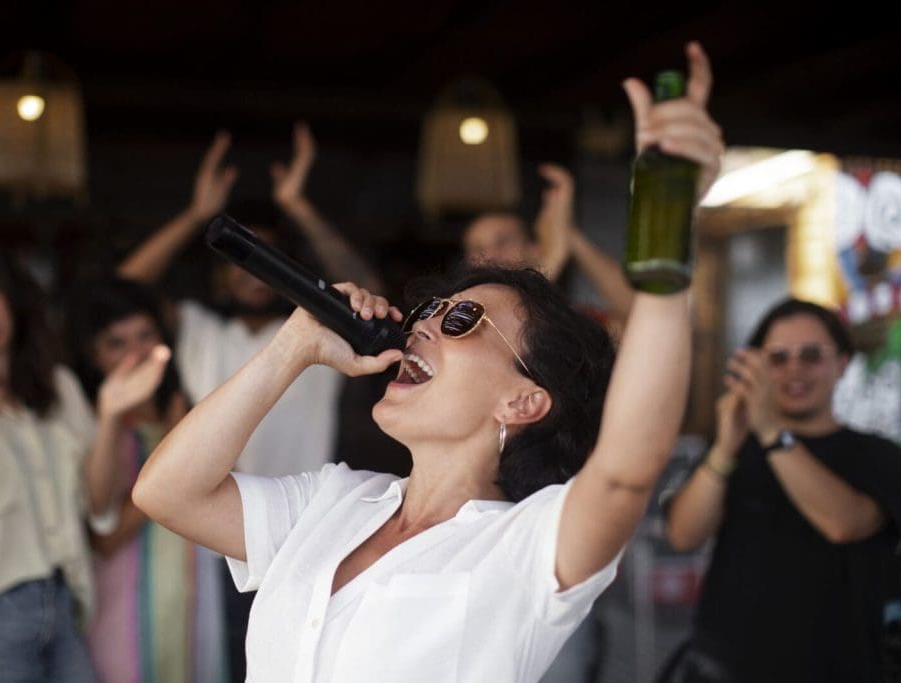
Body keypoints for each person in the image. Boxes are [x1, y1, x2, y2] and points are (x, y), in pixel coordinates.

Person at [131, 42, 722, 681]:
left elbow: (627, 471)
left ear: (524, 400)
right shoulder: (333, 502)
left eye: (462, 320)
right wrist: (292, 348)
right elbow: (167, 491)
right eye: (429, 310)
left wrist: (669, 223)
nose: (423, 327)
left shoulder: (523, 545)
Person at [119, 122, 384, 681]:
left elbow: (370, 286)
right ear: (220, 269)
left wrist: (300, 206)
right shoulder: (194, 329)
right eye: (245, 259)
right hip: (213, 533)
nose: (255, 273)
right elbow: (122, 292)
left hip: (306, 533)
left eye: (270, 259)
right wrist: (197, 215)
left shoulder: (321, 329)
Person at [0, 241, 169, 681]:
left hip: (59, 607)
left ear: (11, 297)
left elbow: (98, 508)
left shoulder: (56, 386)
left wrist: (111, 414)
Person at [662, 298, 901, 681]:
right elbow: (683, 534)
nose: (794, 369)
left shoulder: (879, 454)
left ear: (842, 364)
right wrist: (726, 447)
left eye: (811, 355)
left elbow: (843, 524)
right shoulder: (734, 449)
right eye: (777, 358)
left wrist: (771, 431)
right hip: (724, 667)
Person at [67, 276, 229, 682]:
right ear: (93, 355)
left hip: (192, 601)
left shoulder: (184, 408)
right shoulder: (89, 422)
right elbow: (104, 537)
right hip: (124, 613)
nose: (136, 354)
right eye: (116, 344)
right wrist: (170, 456)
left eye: (146, 335)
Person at [462, 163, 635, 328]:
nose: (490, 255)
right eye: (478, 249)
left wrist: (570, 236)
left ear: (534, 248)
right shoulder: (458, 318)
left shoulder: (577, 322)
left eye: (503, 242)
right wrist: (552, 260)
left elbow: (640, 314)